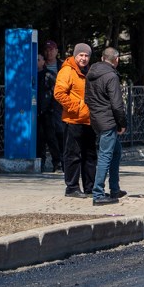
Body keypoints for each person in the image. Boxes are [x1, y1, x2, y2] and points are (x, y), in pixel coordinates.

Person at [84, 46, 127, 205]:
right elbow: (117, 104)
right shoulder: (111, 76)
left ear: (102, 58)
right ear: (116, 60)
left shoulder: (91, 74)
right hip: (108, 120)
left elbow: (86, 98)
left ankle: (115, 188)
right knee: (105, 156)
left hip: (96, 118)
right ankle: (98, 193)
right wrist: (122, 123)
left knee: (116, 151)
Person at [54, 43, 96, 199]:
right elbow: (59, 93)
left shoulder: (89, 71)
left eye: (87, 56)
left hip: (89, 120)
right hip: (73, 120)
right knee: (73, 155)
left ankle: (90, 188)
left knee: (90, 155)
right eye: (81, 55)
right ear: (75, 55)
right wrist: (76, 108)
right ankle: (71, 188)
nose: (84, 58)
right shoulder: (67, 71)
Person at [40, 41, 64, 173]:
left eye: (51, 49)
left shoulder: (62, 65)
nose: (49, 52)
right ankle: (54, 163)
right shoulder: (40, 66)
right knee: (47, 136)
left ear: (56, 51)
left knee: (60, 134)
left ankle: (61, 162)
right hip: (45, 106)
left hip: (60, 106)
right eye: (47, 49)